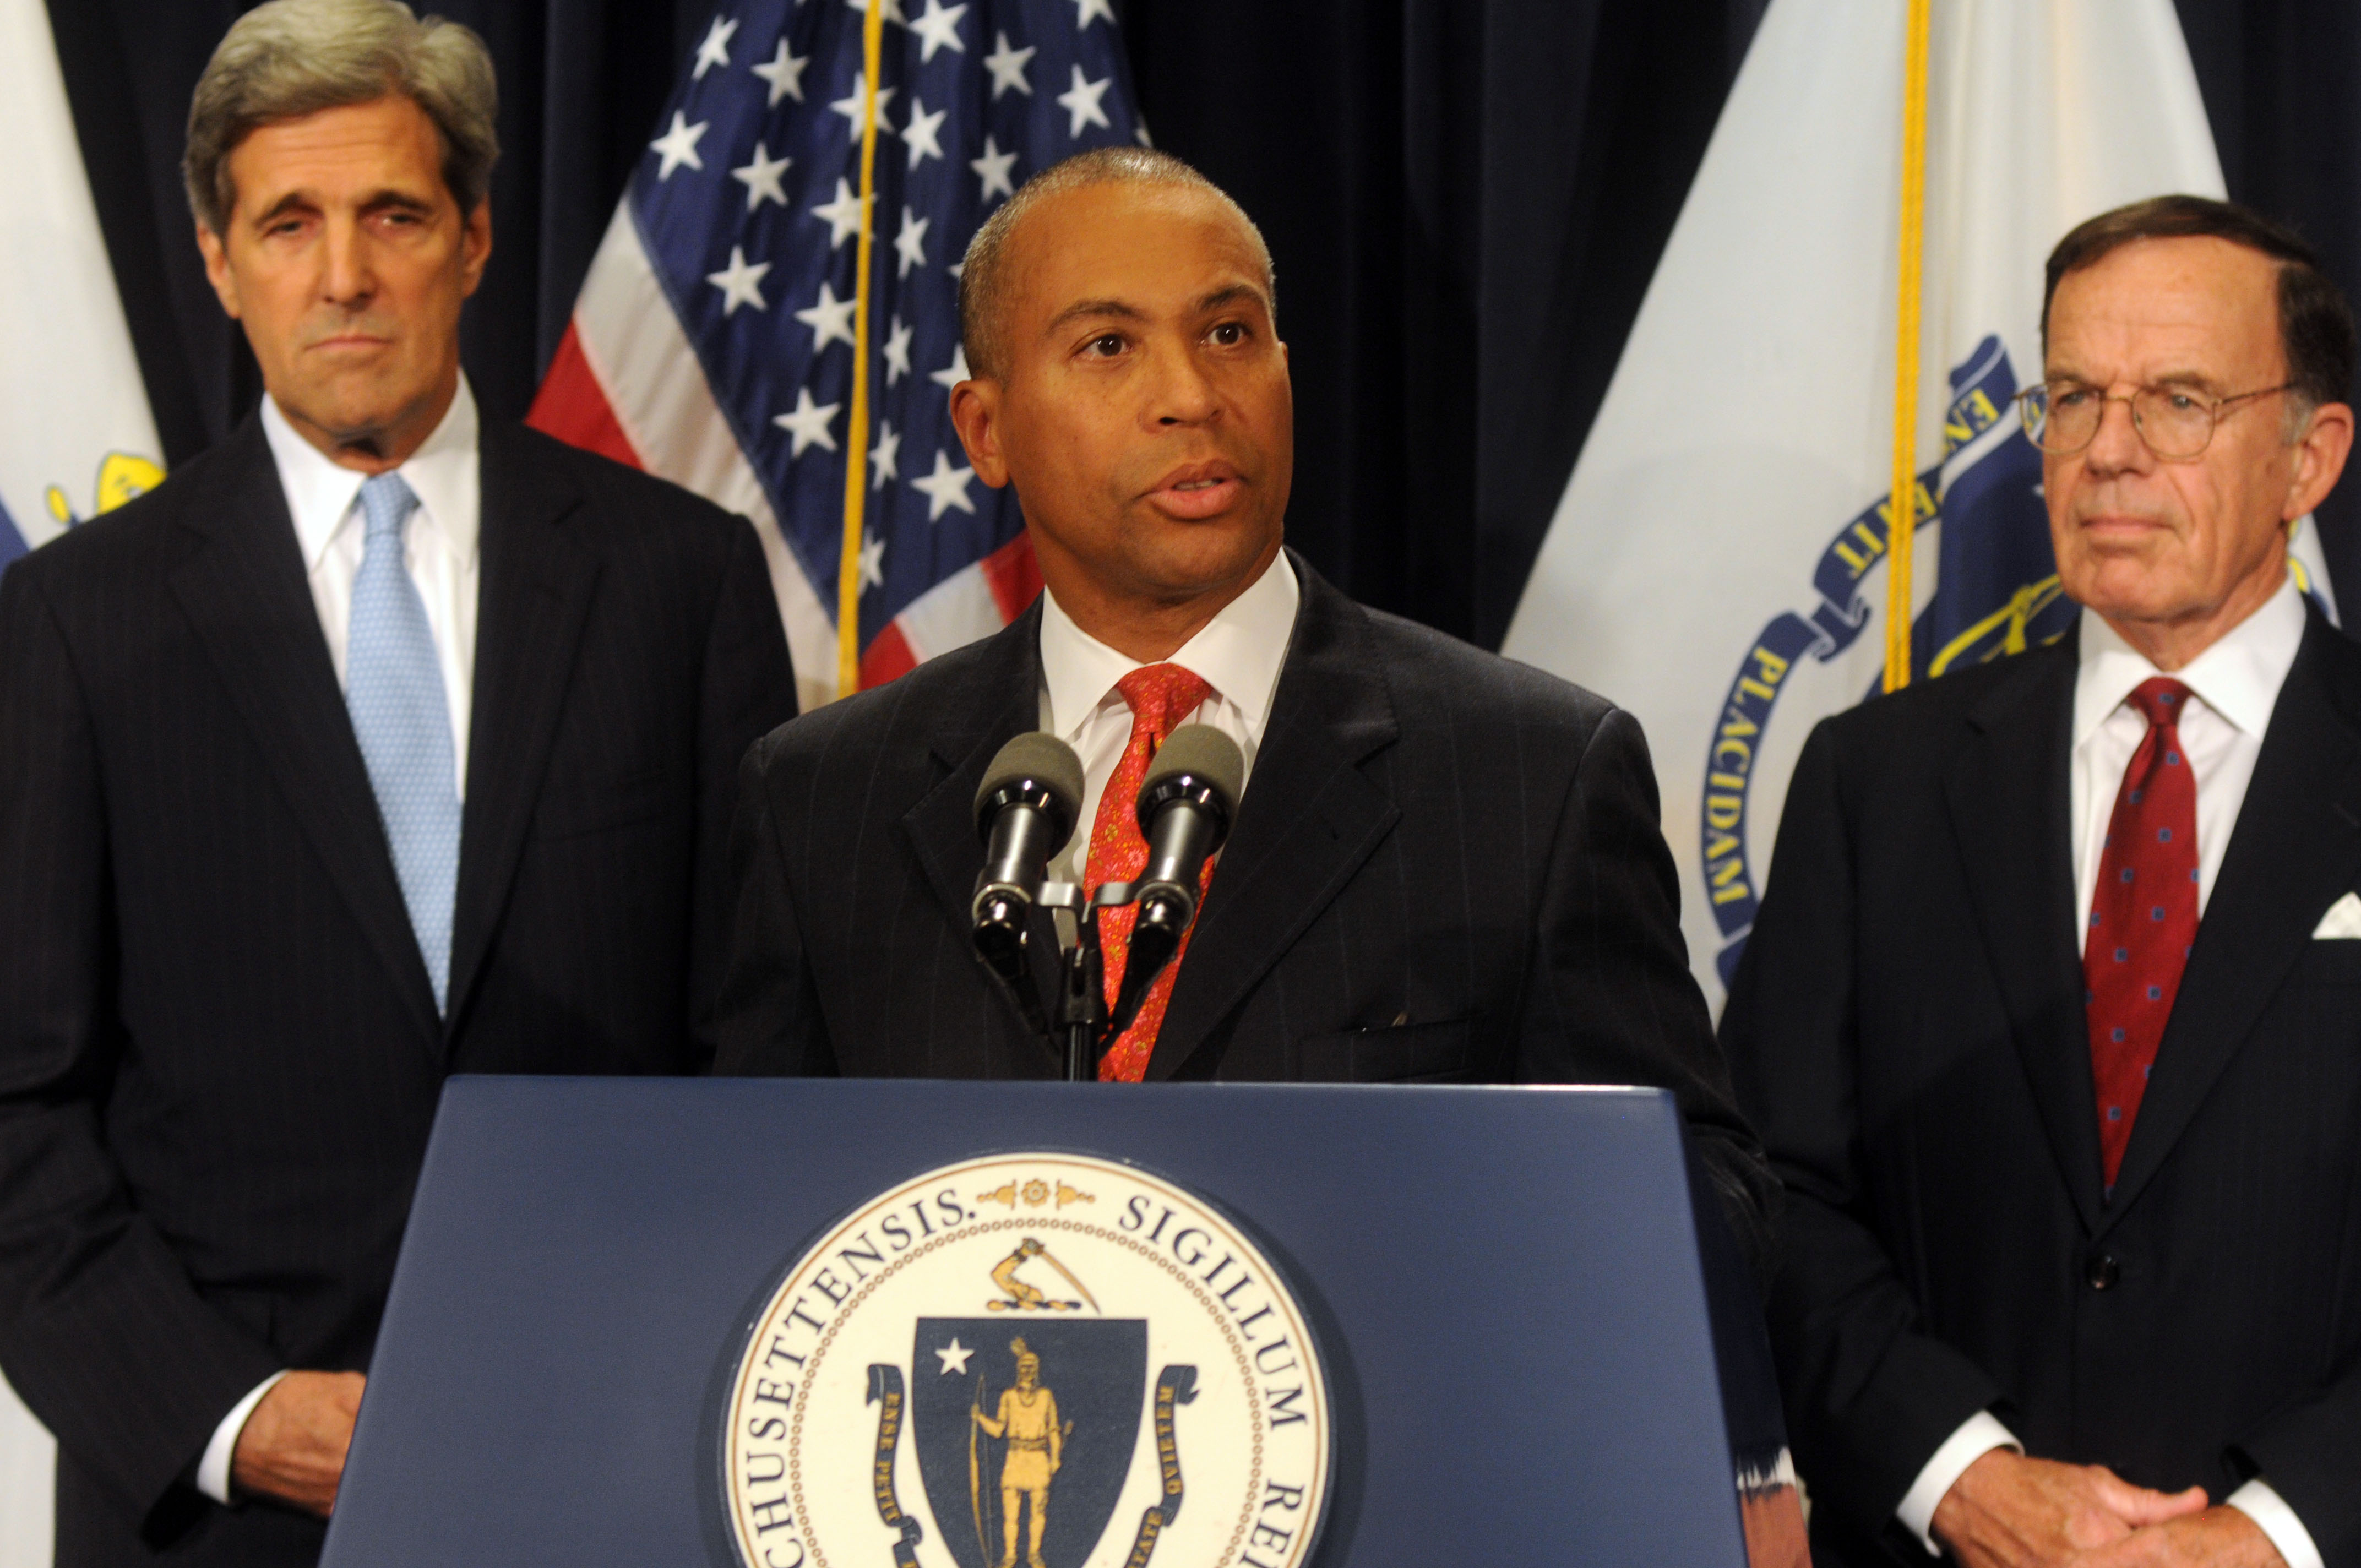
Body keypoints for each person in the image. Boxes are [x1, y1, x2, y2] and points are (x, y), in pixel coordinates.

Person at [0, 2, 793, 1562]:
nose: (345, 274)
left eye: (393, 215)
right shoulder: (70, 621)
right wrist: (227, 1414)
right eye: (287, 223)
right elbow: (17, 1100)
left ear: (478, 238)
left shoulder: (679, 583)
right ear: (220, 265)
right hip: (216, 1510)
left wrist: (657, 1367)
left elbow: (759, 1046)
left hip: (613, 1470)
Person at [1722, 194, 2361, 1568]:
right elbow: (1765, 1187)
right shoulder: (1870, 778)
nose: (2106, 452)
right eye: (2071, 396)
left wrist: (2276, 1524)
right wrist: (1957, 1471)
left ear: (2309, 455)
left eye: (2177, 400)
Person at [973, 1339, 1062, 1568]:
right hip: (1015, 1458)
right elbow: (998, 1430)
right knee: (1010, 1513)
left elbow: (1053, 1429)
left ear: (1037, 1369)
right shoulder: (1008, 1397)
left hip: (1039, 1459)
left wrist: (1056, 1458)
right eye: (1024, 1365)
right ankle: (1010, 1555)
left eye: (1032, 1366)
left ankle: (1034, 1554)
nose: (1027, 1370)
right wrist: (980, 1418)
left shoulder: (1046, 1396)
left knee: (1038, 1512)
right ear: (1018, 1369)